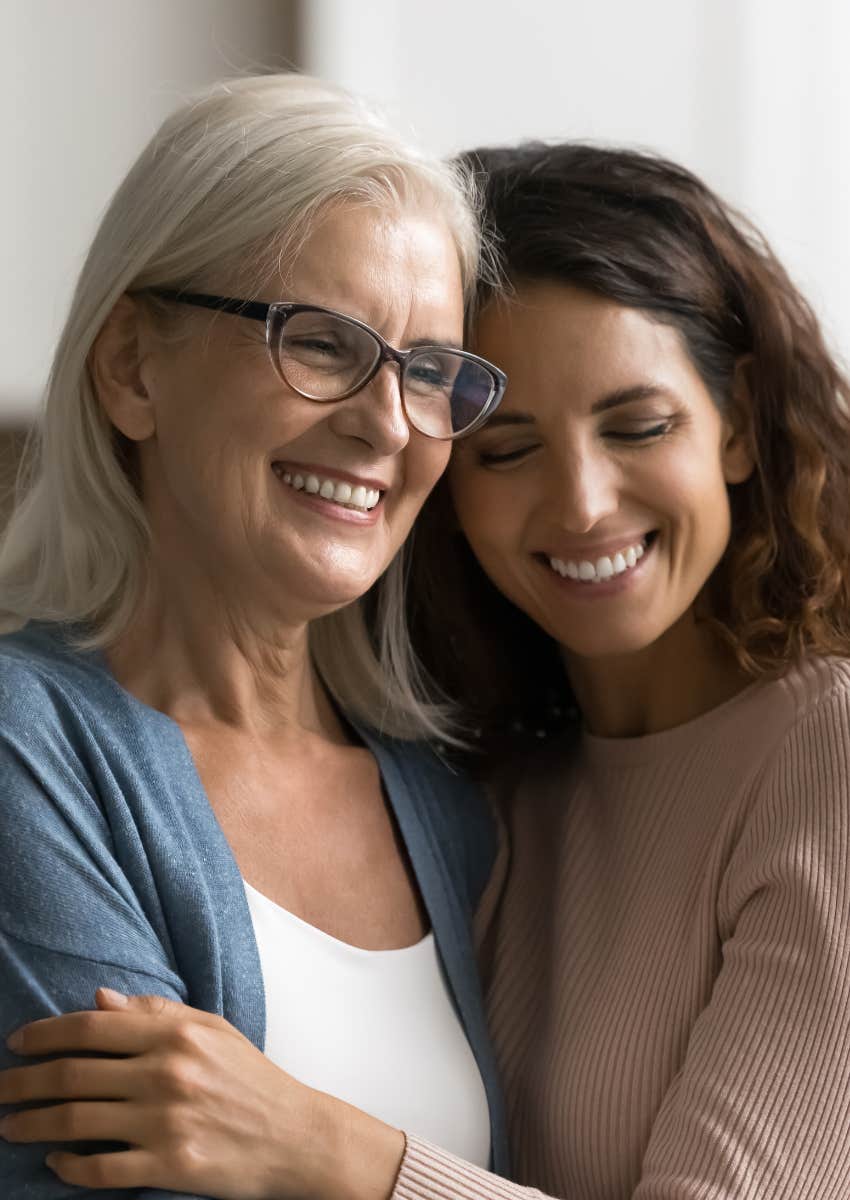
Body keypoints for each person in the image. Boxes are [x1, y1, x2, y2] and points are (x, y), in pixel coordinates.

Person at [7, 141, 850, 1200]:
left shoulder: (824, 755)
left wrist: (328, 1150)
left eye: (639, 426)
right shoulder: (485, 791)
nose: (584, 502)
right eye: (505, 448)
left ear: (737, 423)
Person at [0, 73, 510, 1198]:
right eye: (323, 343)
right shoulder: (22, 750)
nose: (386, 423)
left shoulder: (449, 809)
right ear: (134, 366)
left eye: (429, 371)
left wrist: (330, 1159)